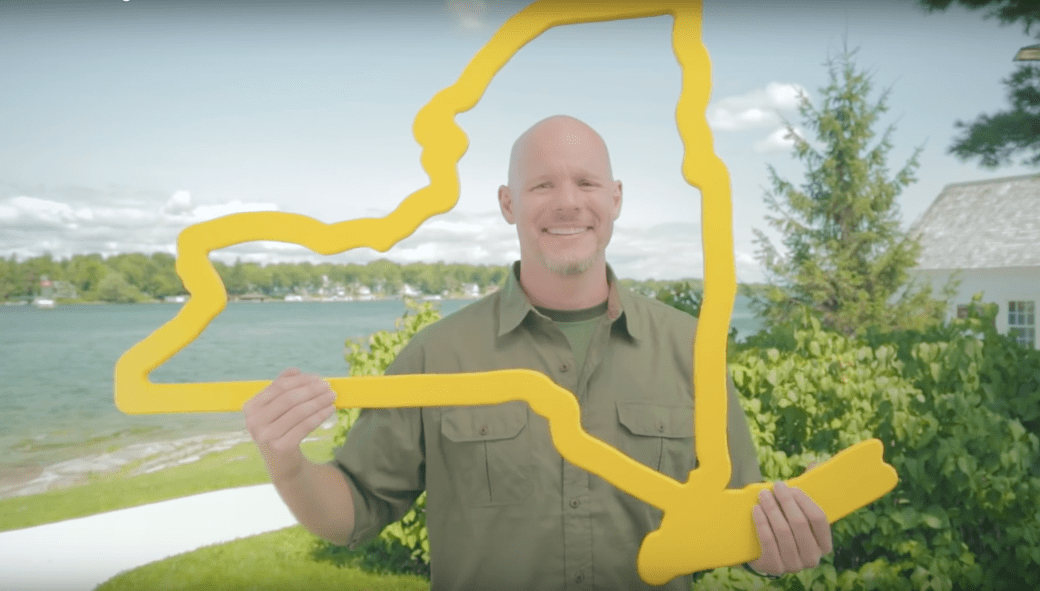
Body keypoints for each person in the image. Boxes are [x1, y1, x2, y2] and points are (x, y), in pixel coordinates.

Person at [244, 115, 833, 590]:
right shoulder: (436, 355)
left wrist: (774, 546)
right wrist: (288, 463)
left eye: (587, 182)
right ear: (507, 203)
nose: (567, 202)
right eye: (542, 184)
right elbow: (353, 513)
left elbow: (735, 520)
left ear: (617, 198)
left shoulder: (693, 348)